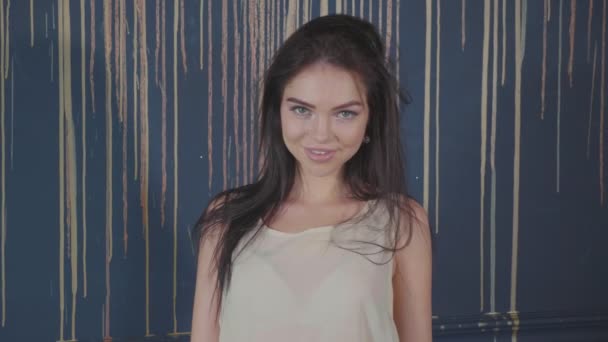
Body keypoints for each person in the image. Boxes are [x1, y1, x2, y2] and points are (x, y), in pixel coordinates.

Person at [190, 14, 432, 342]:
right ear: (277, 112)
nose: (321, 134)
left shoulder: (401, 222)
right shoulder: (227, 221)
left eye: (345, 113)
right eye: (302, 110)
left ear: (370, 121)